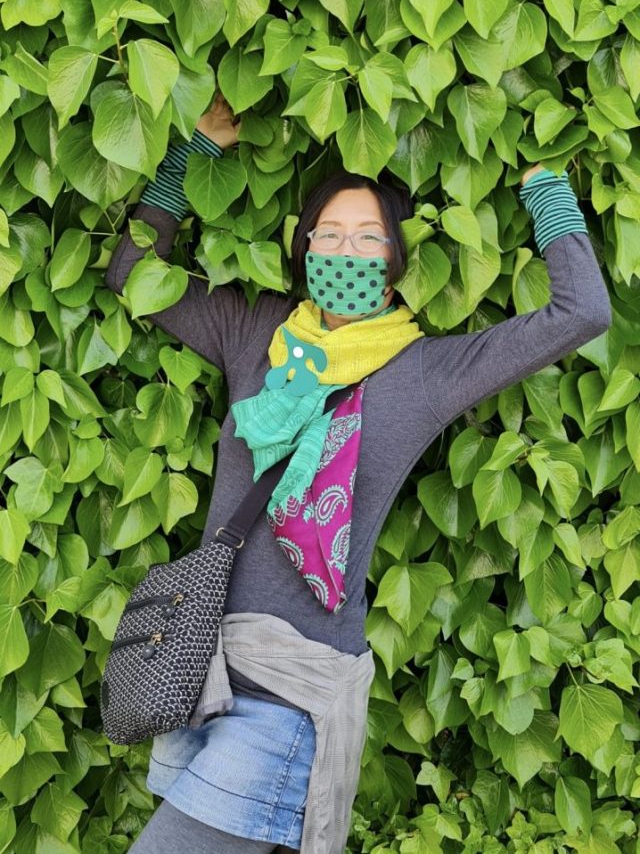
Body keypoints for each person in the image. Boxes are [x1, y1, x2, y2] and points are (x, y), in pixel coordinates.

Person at [105, 95, 611, 854]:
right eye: (330, 233)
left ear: (396, 261)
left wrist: (542, 184)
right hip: (203, 675)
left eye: (369, 237)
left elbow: (581, 313)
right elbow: (132, 273)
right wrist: (194, 154)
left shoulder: (424, 373)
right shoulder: (256, 332)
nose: (347, 250)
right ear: (304, 247)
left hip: (291, 698)